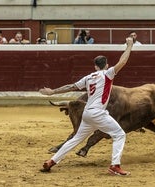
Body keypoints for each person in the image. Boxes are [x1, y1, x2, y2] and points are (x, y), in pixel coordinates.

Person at [39, 37, 134, 176]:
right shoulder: (107, 74)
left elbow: (71, 87)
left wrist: (52, 92)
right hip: (97, 113)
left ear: (95, 66)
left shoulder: (88, 77)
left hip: (87, 113)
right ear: (106, 65)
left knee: (76, 139)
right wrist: (129, 46)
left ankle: (52, 161)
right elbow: (123, 61)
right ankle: (115, 165)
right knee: (119, 134)